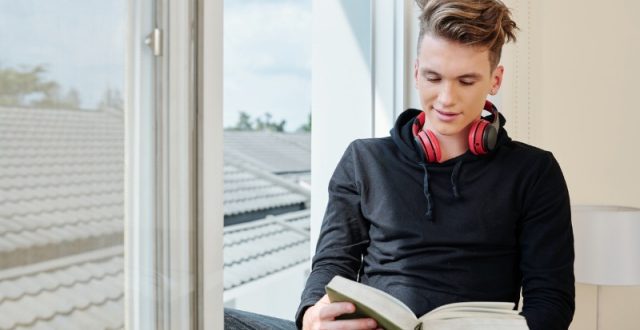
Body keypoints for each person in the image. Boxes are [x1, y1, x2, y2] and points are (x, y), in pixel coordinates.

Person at [225, 0, 574, 329]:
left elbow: (551, 301)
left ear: (495, 80)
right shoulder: (365, 160)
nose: (447, 99)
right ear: (417, 72)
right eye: (434, 78)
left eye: (466, 81)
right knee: (212, 317)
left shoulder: (533, 171)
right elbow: (332, 264)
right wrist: (313, 314)